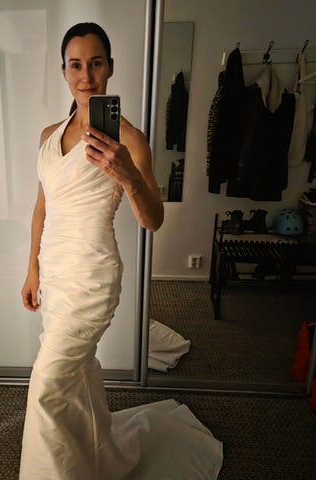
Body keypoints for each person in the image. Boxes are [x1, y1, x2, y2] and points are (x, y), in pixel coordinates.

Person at [20, 22, 223, 480]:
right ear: (63, 70)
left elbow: (153, 220)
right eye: (76, 65)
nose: (86, 76)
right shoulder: (48, 134)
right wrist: (32, 270)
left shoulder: (129, 139)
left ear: (110, 67)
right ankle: (97, 457)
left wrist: (127, 173)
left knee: (47, 389)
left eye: (95, 64)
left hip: (91, 277)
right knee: (77, 378)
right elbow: (41, 208)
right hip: (54, 274)